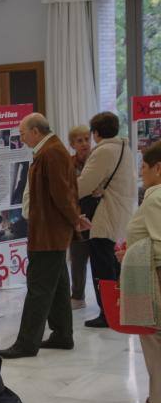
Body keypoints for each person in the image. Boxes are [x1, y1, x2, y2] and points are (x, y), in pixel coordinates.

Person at [0, 114, 90, 359]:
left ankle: (26, 343)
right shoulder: (50, 150)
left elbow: (63, 193)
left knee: (38, 287)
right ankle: (62, 335)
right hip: (48, 232)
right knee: (59, 285)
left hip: (48, 234)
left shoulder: (51, 152)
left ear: (36, 131)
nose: (21, 137)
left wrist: (74, 219)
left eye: (23, 133)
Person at [77, 112, 137, 327]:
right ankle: (117, 310)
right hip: (121, 214)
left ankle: (108, 313)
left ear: (96, 133)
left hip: (104, 216)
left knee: (102, 268)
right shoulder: (124, 148)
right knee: (113, 264)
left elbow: (84, 185)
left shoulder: (103, 152)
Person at [117, 141, 161, 403]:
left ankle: (158, 401)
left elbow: (158, 244)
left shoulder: (155, 196)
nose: (141, 172)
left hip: (155, 277)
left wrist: (130, 253)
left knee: (154, 338)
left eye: (144, 167)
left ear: (158, 168)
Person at [68, 125, 92, 310]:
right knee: (78, 259)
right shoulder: (68, 164)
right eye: (80, 140)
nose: (85, 144)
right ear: (72, 144)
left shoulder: (97, 161)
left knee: (104, 259)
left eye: (87, 139)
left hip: (99, 216)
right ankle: (77, 296)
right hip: (78, 217)